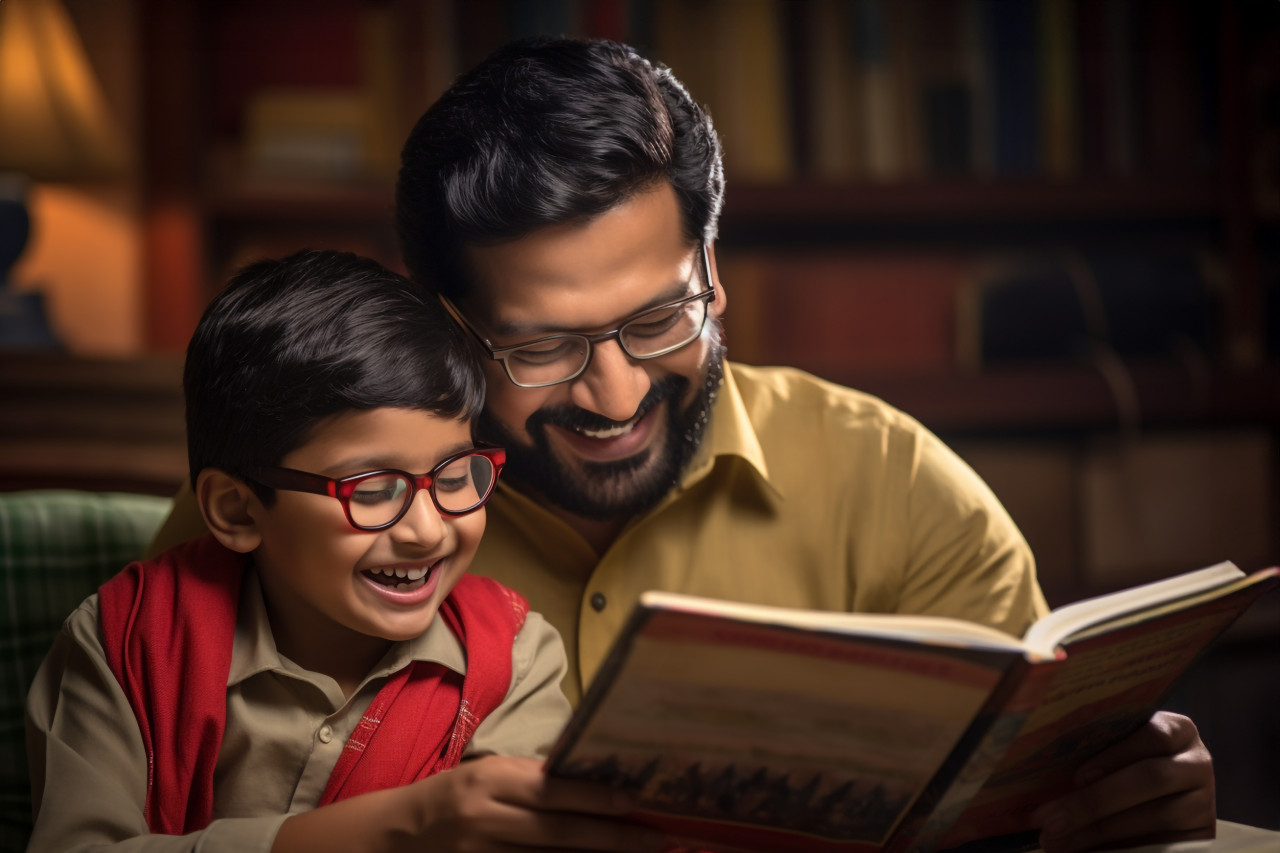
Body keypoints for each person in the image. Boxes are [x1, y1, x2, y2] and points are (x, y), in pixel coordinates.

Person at [147, 38, 1216, 853]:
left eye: (662, 318)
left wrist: (1111, 806)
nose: (614, 394)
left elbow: (1010, 808)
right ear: (441, 322)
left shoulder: (895, 487)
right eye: (539, 345)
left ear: (712, 265)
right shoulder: (282, 497)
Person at [26, 250, 661, 853]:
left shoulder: (514, 660)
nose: (427, 529)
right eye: (375, 489)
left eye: (454, 476)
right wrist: (401, 829)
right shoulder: (124, 641)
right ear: (236, 510)